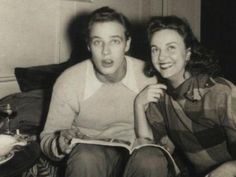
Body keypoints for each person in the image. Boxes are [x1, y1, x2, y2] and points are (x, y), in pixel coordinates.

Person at [40, 6, 157, 177]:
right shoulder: (69, 82)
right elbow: (47, 137)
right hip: (91, 155)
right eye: (97, 42)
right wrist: (59, 143)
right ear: (88, 45)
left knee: (151, 160)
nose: (105, 51)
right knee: (86, 158)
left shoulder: (148, 76)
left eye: (115, 41)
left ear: (127, 44)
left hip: (136, 153)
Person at [134, 15, 236, 177]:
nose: (161, 57)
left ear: (188, 53)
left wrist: (230, 169)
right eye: (155, 49)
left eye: (171, 47)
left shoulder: (219, 93)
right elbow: (151, 150)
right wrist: (139, 105)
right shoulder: (160, 97)